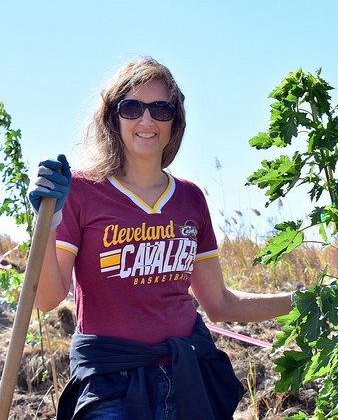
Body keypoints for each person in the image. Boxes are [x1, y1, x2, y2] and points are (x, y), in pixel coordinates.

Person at [28, 57, 293, 420]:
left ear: (175, 121)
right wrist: (46, 220)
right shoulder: (82, 191)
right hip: (110, 385)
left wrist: (304, 300)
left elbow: (219, 303)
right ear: (113, 117)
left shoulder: (190, 198)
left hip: (186, 377)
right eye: (132, 108)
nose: (146, 120)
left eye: (160, 109)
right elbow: (46, 298)